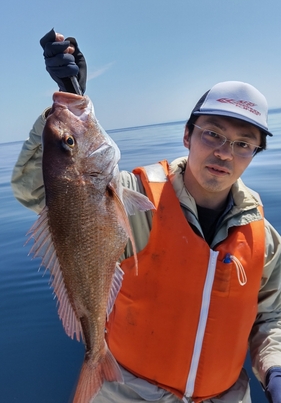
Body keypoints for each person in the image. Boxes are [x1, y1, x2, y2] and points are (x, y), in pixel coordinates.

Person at [11, 30, 281, 403]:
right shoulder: (132, 196)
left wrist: (274, 368)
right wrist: (62, 114)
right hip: (127, 391)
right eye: (212, 134)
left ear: (254, 153)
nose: (224, 153)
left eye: (242, 144)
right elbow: (36, 191)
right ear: (187, 136)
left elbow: (271, 317)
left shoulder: (264, 240)